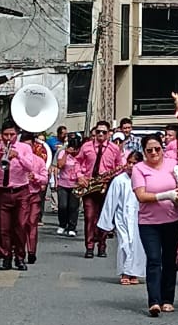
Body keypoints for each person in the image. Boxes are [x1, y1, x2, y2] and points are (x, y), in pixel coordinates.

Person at [0, 121, 47, 271]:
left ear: (16, 135)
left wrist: (18, 156)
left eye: (12, 135)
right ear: (1, 135)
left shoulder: (24, 148)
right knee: (3, 228)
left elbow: (30, 166)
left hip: (21, 191)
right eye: (6, 135)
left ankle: (20, 257)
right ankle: (6, 258)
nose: (9, 138)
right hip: (2, 192)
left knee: (20, 226)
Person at [132, 134, 178, 317]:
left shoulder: (173, 165)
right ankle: (154, 301)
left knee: (170, 260)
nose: (154, 153)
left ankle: (167, 299)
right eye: (149, 150)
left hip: (172, 220)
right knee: (154, 259)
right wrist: (166, 195)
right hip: (149, 223)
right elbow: (141, 195)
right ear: (144, 152)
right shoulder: (139, 169)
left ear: (163, 148)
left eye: (157, 149)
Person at [73, 120, 123, 258]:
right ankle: (89, 247)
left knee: (104, 217)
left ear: (108, 134)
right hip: (89, 185)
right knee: (89, 216)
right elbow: (77, 161)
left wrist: (111, 177)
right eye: (98, 131)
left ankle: (102, 245)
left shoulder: (114, 148)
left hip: (106, 186)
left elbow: (119, 166)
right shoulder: (86, 146)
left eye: (104, 132)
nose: (100, 134)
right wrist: (79, 176)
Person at [98, 151, 143, 286]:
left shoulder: (144, 179)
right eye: (129, 162)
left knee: (137, 244)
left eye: (134, 163)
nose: (130, 166)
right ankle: (125, 271)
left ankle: (134, 272)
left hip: (139, 217)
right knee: (125, 244)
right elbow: (111, 201)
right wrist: (107, 223)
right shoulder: (119, 180)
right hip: (122, 217)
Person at [22, 133, 50, 264]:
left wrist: (36, 177)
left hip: (33, 195)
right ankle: (18, 251)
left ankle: (31, 251)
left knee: (32, 223)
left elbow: (45, 178)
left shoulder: (38, 161)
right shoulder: (14, 159)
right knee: (19, 224)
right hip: (19, 196)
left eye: (29, 146)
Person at [55, 132, 83, 237]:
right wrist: (66, 154)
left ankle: (72, 227)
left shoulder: (81, 155)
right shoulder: (63, 153)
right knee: (62, 206)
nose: (74, 150)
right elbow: (60, 165)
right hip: (63, 183)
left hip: (75, 184)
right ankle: (62, 224)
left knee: (73, 206)